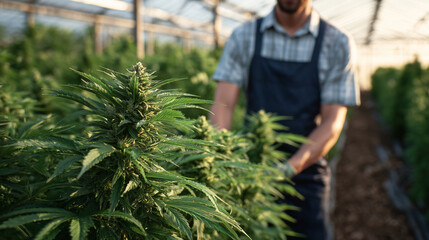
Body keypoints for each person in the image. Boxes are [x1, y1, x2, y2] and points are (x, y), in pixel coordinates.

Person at [209, 0, 360, 239]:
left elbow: (332, 122)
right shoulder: (244, 36)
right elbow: (223, 107)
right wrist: (218, 157)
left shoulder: (337, 43)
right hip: (252, 169)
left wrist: (289, 168)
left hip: (307, 174)